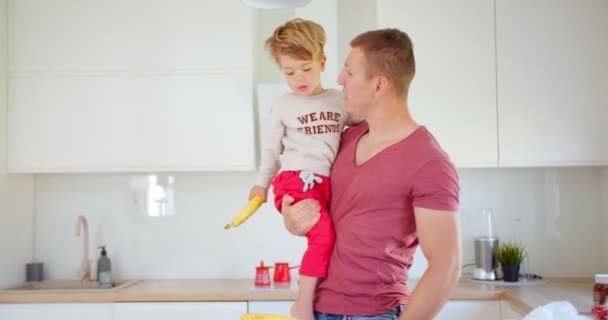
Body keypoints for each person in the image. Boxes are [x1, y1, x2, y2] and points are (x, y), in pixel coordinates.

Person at [280, 28, 462, 320]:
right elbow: (325, 212)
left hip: (377, 313)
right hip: (317, 311)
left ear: (379, 85)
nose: (339, 80)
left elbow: (447, 264)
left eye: (349, 73)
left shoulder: (429, 162)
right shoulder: (344, 139)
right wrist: (293, 220)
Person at [249, 18, 360, 320]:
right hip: (295, 180)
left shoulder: (339, 101)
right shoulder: (283, 104)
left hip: (325, 182)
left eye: (306, 68)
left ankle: (326, 294)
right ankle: (303, 302)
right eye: (289, 72)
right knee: (323, 237)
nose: (298, 77)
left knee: (333, 237)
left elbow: (363, 123)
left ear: (322, 62)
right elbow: (272, 150)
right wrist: (260, 184)